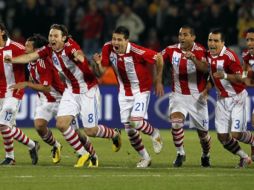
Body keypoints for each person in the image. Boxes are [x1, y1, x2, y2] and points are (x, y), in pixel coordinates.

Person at [5, 24, 121, 168]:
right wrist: (13, 60)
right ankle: (82, 153)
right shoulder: (48, 50)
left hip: (87, 89)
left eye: (55, 36)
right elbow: (31, 56)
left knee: (90, 131)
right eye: (50, 35)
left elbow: (78, 53)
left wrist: (81, 58)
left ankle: (114, 134)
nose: (52, 39)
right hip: (71, 90)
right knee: (61, 124)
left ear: (64, 38)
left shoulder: (69, 47)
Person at [93, 26, 163, 168]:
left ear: (127, 41)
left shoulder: (137, 51)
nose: (115, 42)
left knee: (136, 122)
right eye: (114, 39)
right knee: (130, 131)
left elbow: (159, 58)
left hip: (141, 91)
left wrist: (158, 80)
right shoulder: (108, 47)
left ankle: (155, 133)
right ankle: (145, 158)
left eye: (119, 40)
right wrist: (98, 63)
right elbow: (101, 72)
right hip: (124, 92)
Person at [161, 26, 211, 167]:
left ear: (193, 37)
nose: (181, 37)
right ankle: (180, 153)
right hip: (178, 95)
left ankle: (206, 155)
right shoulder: (171, 50)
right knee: (176, 123)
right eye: (180, 34)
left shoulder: (201, 51)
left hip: (198, 97)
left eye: (185, 35)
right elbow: (157, 58)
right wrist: (158, 78)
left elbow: (205, 69)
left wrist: (194, 59)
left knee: (203, 136)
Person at [208, 28, 253, 168]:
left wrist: (225, 76)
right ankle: (244, 158)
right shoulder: (207, 55)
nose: (212, 43)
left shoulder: (230, 56)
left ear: (222, 42)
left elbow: (241, 78)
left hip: (237, 98)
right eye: (210, 40)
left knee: (236, 133)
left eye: (216, 41)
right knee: (222, 137)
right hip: (221, 99)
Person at [0, 23, 39, 165]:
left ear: (2, 32)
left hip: (14, 92)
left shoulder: (17, 48)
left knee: (3, 124)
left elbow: (35, 58)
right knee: (8, 127)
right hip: (0, 94)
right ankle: (32, 145)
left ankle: (10, 157)